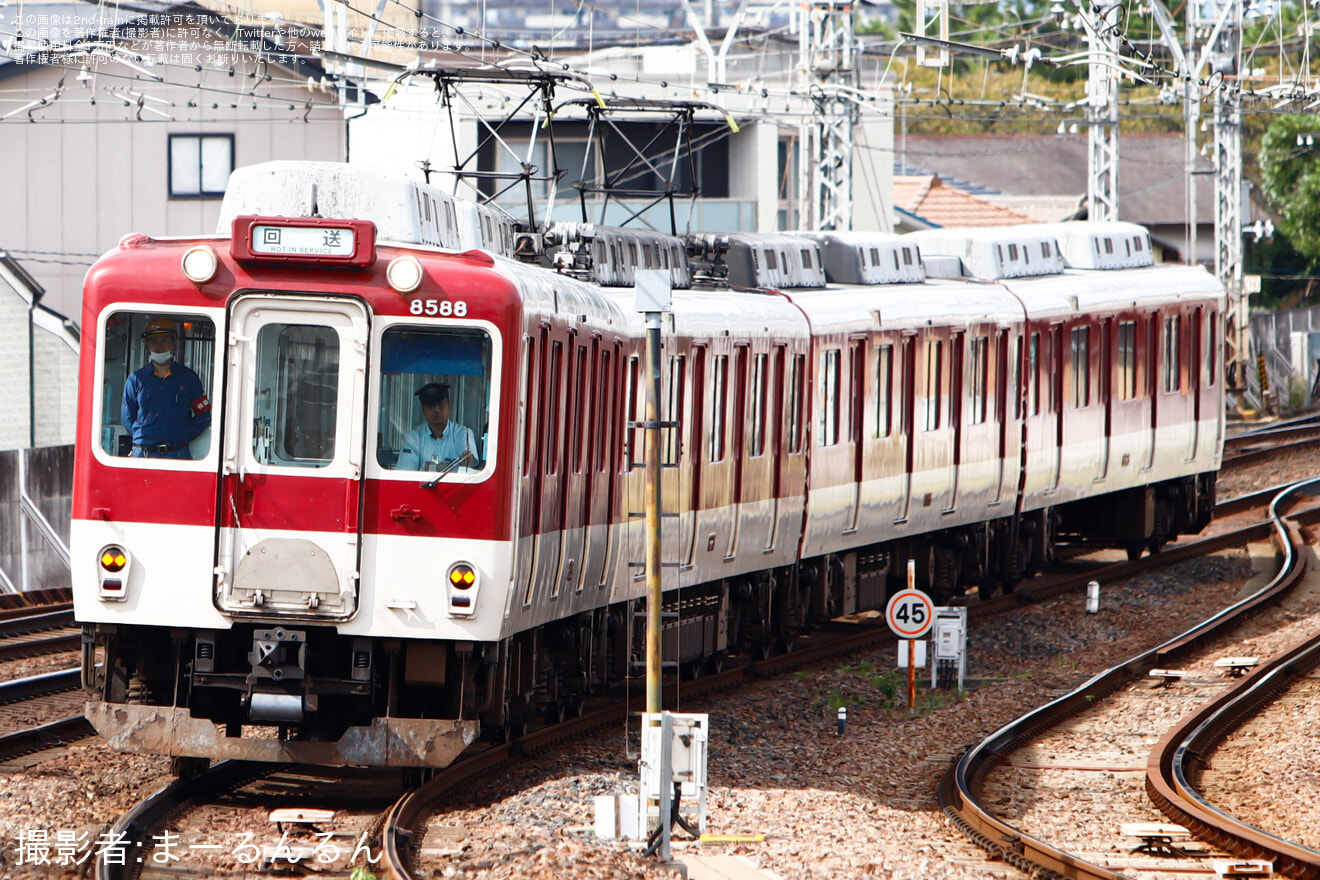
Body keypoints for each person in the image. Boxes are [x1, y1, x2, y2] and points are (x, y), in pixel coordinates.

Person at [121, 317, 211, 459]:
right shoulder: (136, 379)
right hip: (143, 455)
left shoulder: (189, 378)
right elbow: (127, 418)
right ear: (147, 344)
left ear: (173, 343)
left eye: (165, 340)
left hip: (177, 454)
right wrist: (144, 437)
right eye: (154, 341)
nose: (159, 346)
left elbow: (204, 416)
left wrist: (183, 434)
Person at [396, 383, 480, 471]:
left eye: (441, 404)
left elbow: (469, 461)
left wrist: (467, 457)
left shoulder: (463, 433)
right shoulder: (413, 437)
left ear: (449, 405)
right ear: (423, 408)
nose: (436, 410)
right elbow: (406, 472)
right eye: (430, 406)